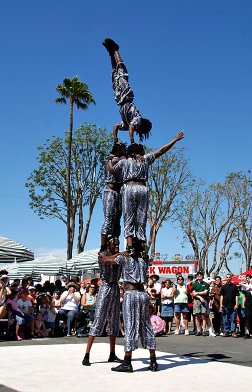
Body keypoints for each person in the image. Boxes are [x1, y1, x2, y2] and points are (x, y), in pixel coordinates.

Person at [110, 131, 185, 255]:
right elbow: (161, 150)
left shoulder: (124, 161)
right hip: (143, 188)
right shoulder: (145, 159)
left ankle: (130, 246)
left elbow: (113, 170)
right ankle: (143, 247)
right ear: (141, 151)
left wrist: (110, 159)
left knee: (128, 217)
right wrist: (175, 139)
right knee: (141, 218)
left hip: (129, 187)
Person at [99, 239, 158, 373]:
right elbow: (146, 258)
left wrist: (106, 254)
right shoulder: (143, 261)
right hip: (142, 294)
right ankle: (153, 360)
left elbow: (105, 260)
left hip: (130, 294)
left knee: (130, 324)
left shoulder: (124, 259)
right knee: (146, 326)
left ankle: (127, 361)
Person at [82, 236, 124, 366]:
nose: (116, 245)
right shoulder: (103, 255)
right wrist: (119, 254)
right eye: (114, 243)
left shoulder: (120, 257)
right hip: (105, 287)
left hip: (115, 287)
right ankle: (87, 354)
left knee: (114, 321)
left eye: (118, 243)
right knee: (99, 319)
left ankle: (112, 353)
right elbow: (106, 260)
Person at [102, 38, 152, 144]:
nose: (140, 133)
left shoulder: (127, 123)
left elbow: (115, 127)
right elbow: (131, 127)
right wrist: (132, 142)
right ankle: (116, 49)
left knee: (115, 74)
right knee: (121, 71)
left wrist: (115, 140)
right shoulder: (137, 119)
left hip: (119, 99)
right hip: (126, 96)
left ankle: (111, 53)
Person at [100, 142, 126, 252]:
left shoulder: (115, 159)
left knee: (117, 219)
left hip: (117, 192)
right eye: (123, 149)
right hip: (110, 192)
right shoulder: (115, 159)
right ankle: (103, 246)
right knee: (109, 219)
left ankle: (114, 241)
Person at [192, 271, 209, 336]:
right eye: (198, 275)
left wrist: (198, 293)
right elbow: (193, 293)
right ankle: (198, 330)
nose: (199, 276)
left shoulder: (206, 284)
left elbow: (205, 292)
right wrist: (199, 297)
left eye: (200, 275)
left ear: (202, 276)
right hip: (197, 301)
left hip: (204, 300)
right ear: (196, 276)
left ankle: (204, 330)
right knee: (197, 315)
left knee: (204, 315)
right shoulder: (194, 284)